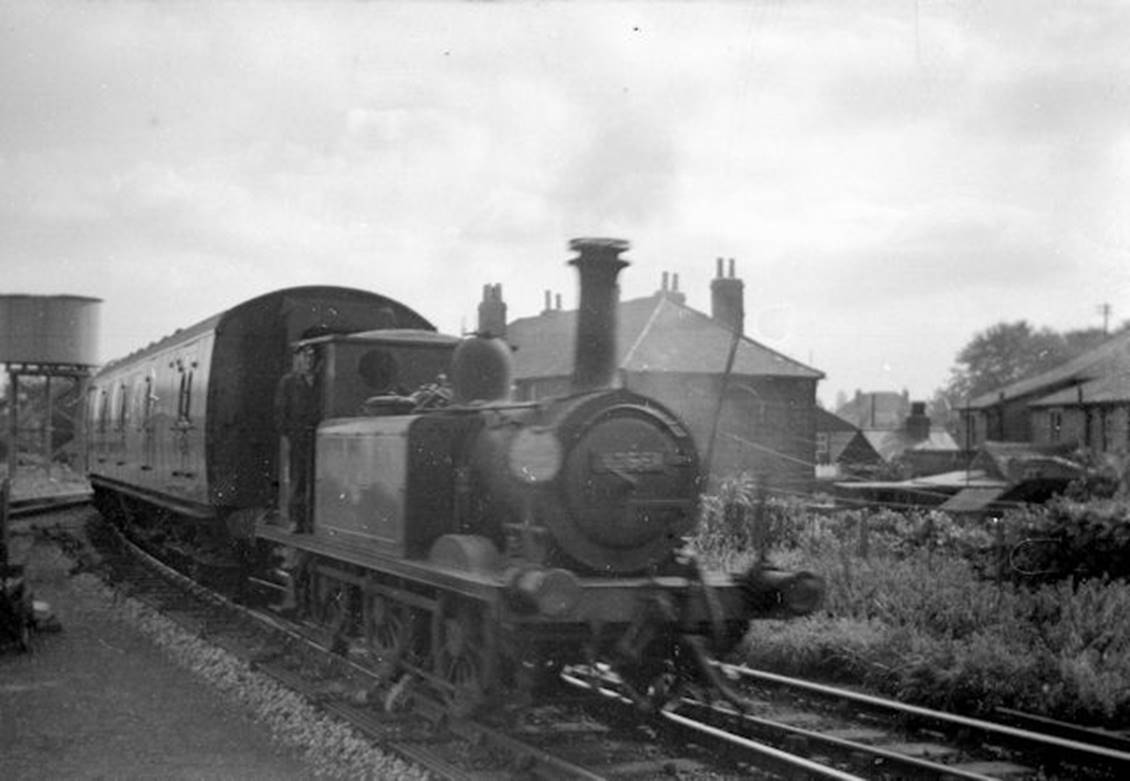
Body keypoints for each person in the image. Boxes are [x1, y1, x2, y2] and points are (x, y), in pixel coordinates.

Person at [274, 344, 319, 533]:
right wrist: (290, 434)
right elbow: (280, 412)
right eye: (306, 356)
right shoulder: (289, 382)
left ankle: (312, 520)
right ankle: (296, 519)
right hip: (298, 436)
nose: (309, 360)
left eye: (312, 356)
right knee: (298, 478)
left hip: (317, 434)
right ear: (299, 358)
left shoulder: (320, 381)